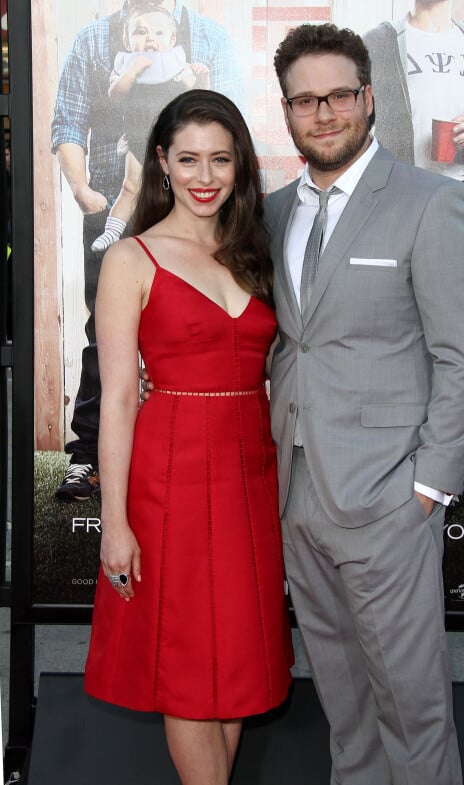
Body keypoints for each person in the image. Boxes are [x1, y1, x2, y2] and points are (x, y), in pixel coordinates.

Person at [266, 23, 464, 784]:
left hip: (390, 500)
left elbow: (461, 352)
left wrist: (428, 486)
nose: (322, 113)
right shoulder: (271, 213)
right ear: (288, 112)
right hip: (298, 498)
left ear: (368, 99)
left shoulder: (429, 202)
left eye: (337, 96)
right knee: (344, 702)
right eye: (304, 100)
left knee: (413, 706)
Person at [83, 89, 293, 785]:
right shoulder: (131, 260)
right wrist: (114, 522)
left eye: (221, 160)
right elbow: (116, 397)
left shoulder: (257, 248)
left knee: (232, 661)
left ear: (240, 166)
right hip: (167, 479)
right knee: (185, 662)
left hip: (249, 479)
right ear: (162, 164)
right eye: (189, 159)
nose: (206, 176)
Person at [51, 0, 244, 501]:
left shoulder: (208, 39)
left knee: (200, 324)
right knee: (104, 331)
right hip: (119, 195)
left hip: (197, 203)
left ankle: (203, 451)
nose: (151, 35)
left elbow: (233, 120)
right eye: (144, 31)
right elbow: (68, 122)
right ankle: (89, 455)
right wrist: (81, 189)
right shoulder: (95, 41)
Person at [364, 0, 464, 496]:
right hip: (392, 208)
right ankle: (395, 452)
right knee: (392, 332)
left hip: (458, 207)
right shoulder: (378, 43)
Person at [91, 2, 209, 254]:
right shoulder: (125, 63)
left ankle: (184, 241)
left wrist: (200, 77)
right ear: (127, 38)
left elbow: (196, 95)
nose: (149, 39)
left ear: (172, 39)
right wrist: (132, 71)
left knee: (174, 191)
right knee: (130, 187)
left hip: (173, 142)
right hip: (137, 136)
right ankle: (112, 231)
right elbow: (116, 95)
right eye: (140, 32)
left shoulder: (176, 62)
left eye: (158, 33)